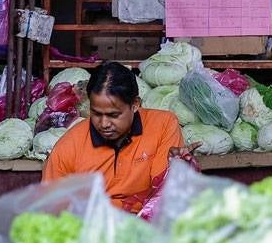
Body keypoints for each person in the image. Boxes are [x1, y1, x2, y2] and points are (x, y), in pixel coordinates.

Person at [42, 62, 187, 213]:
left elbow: (163, 196)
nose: (104, 124)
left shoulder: (163, 125)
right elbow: (52, 206)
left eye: (113, 115)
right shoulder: (69, 146)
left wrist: (178, 168)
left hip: (145, 226)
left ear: (135, 104)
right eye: (96, 114)